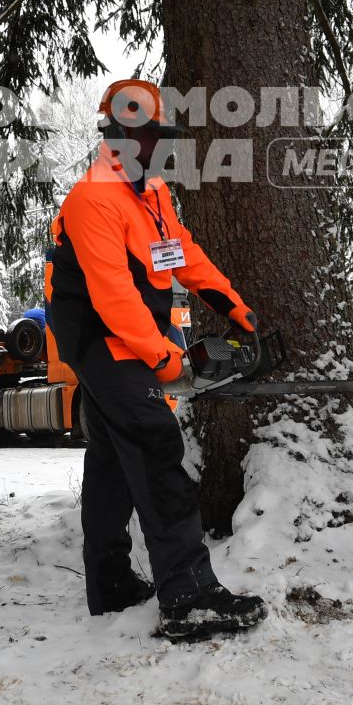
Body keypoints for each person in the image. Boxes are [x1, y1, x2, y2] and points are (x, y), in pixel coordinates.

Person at [43, 78, 268, 641]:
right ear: (117, 135)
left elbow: (183, 255)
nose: (157, 146)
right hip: (104, 344)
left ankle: (112, 583)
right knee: (157, 445)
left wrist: (234, 307)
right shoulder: (95, 196)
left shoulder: (152, 194)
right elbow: (114, 294)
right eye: (146, 136)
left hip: (127, 342)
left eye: (160, 136)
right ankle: (188, 598)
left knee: (114, 462)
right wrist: (166, 358)